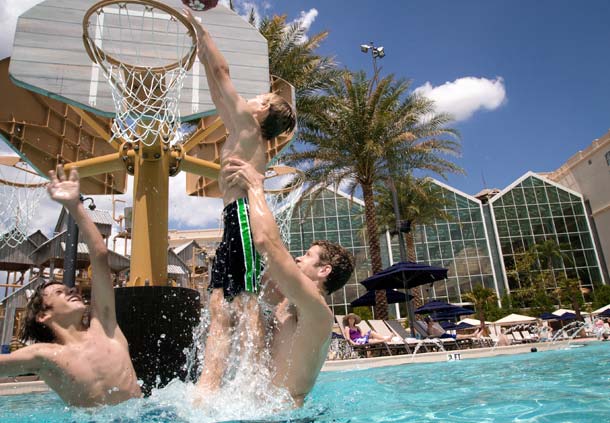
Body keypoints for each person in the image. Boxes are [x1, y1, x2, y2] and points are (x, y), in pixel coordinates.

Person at [182, 10, 296, 391]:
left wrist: (199, 26)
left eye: (260, 96)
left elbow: (223, 74)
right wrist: (200, 50)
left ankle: (254, 377)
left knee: (246, 299)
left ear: (262, 109)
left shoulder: (248, 128)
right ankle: (209, 383)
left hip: (246, 218)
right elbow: (217, 85)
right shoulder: (242, 128)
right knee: (219, 301)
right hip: (234, 219)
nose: (252, 98)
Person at [0, 166, 141, 407]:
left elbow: (99, 254)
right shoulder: (44, 357)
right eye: (60, 292)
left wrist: (74, 206)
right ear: (44, 315)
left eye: (70, 289)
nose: (73, 290)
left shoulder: (105, 326)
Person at [223, 157, 354, 407]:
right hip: (259, 408)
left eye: (307, 255)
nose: (298, 257)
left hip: (286, 415)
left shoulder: (318, 314)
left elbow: (268, 245)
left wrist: (254, 187)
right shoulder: (286, 304)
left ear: (324, 270)